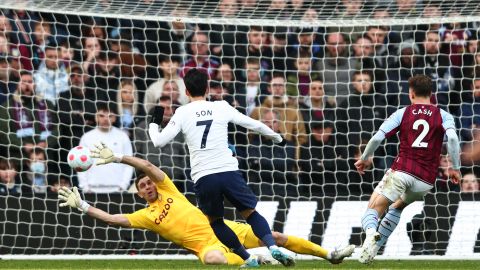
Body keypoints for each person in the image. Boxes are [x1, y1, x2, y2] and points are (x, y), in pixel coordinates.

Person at [57, 143, 355, 266]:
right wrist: (82, 205)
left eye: (147, 182)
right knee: (215, 260)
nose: (147, 185)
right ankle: (255, 262)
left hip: (224, 228)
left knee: (275, 236)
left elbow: (148, 165)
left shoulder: (167, 188)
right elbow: (111, 219)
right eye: (142, 186)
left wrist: (121, 157)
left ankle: (330, 254)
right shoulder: (145, 216)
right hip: (206, 246)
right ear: (138, 194)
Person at [148, 68, 292, 267]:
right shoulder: (221, 106)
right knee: (250, 213)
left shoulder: (182, 112)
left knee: (216, 222)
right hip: (228, 171)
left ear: (186, 92)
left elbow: (158, 142)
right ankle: (272, 246)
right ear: (207, 89)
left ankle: (248, 259)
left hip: (204, 176)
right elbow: (254, 125)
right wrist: (279, 139)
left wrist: (154, 123)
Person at [354, 75, 461, 264]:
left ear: (411, 93)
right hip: (426, 181)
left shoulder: (402, 113)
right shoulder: (443, 115)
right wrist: (455, 168)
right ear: (431, 94)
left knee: (372, 210)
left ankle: (371, 235)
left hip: (402, 171)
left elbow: (378, 138)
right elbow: (452, 139)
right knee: (398, 207)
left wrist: (364, 158)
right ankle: (372, 251)